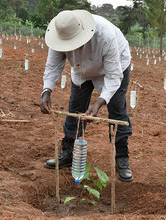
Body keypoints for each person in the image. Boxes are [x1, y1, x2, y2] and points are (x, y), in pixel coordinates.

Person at [40, 9, 133, 182]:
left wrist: (98, 103)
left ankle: (122, 158)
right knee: (75, 106)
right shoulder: (60, 33)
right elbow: (53, 65)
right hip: (81, 71)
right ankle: (68, 153)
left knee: (117, 109)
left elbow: (114, 77)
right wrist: (47, 90)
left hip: (113, 68)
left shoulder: (105, 36)